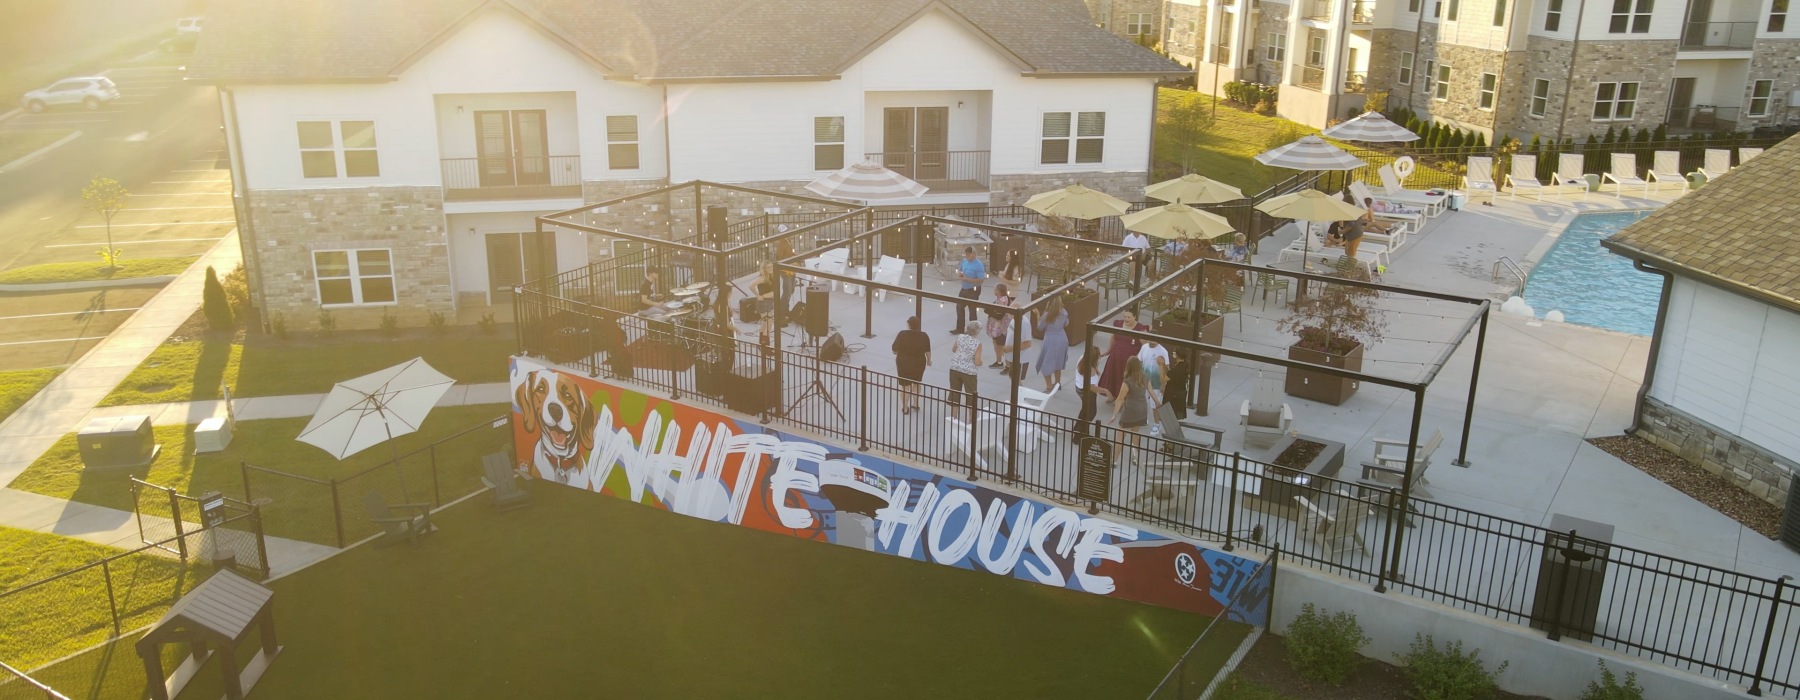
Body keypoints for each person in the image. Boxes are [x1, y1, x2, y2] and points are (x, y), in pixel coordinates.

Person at [1108, 357, 1151, 460]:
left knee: (1120, 436)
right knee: (1135, 433)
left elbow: (1120, 399)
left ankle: (1114, 460)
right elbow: (1151, 391)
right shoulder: (1145, 377)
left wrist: (1114, 415)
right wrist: (1157, 403)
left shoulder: (1128, 381)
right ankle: (1135, 458)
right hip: (1142, 409)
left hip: (1130, 410)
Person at [1098, 309, 1149, 396]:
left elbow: (1144, 346)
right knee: (1112, 377)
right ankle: (1112, 395)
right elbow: (1113, 338)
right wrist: (1108, 351)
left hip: (1128, 361)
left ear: (1135, 317)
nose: (1126, 319)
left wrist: (1136, 358)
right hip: (1115, 357)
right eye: (1125, 316)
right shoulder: (1118, 324)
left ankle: (1123, 398)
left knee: (1125, 379)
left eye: (1129, 317)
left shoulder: (1140, 329)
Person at [891, 316, 932, 415]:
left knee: (905, 387)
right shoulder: (924, 336)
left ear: (908, 325)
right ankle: (916, 403)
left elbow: (894, 349)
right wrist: (929, 360)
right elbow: (927, 350)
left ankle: (905, 408)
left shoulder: (902, 334)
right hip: (918, 363)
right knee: (916, 383)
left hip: (903, 363)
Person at [947, 321, 984, 422]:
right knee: (971, 396)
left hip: (955, 368)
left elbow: (954, 349)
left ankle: (953, 419)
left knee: (955, 393)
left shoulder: (960, 337)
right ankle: (970, 421)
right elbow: (977, 362)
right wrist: (981, 362)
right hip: (969, 372)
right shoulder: (977, 344)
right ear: (977, 331)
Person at [1035, 294, 1070, 391]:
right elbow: (1066, 323)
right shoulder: (1064, 312)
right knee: (1057, 362)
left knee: (1046, 362)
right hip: (1062, 338)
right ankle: (1058, 383)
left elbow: (1040, 327)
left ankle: (1049, 386)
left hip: (1051, 339)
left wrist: (1038, 315)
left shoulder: (1047, 315)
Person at [1071, 347, 1106, 444]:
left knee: (1085, 410)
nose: (1100, 355)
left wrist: (1097, 371)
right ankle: (1078, 436)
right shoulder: (1091, 369)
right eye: (1098, 355)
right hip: (1088, 392)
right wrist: (1105, 391)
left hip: (1079, 387)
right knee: (1091, 413)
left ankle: (1079, 429)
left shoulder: (1083, 359)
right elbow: (1092, 388)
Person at [954, 246, 987, 333]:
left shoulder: (978, 265)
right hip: (964, 288)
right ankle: (960, 328)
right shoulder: (964, 261)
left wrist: (966, 279)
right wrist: (960, 274)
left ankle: (973, 330)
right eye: (966, 254)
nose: (966, 256)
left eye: (968, 254)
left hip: (974, 290)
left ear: (974, 254)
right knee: (959, 307)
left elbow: (981, 280)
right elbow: (959, 270)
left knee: (972, 310)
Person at [985, 284, 1014, 369]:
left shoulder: (1003, 301)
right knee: (997, 344)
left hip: (1001, 329)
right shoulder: (1003, 299)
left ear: (999, 291)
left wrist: (988, 312)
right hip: (997, 328)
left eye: (995, 289)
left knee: (1002, 345)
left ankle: (1008, 366)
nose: (994, 291)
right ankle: (999, 361)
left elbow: (999, 315)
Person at [1137, 338, 1170, 405]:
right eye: (1151, 340)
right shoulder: (1144, 347)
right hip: (1144, 382)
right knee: (1143, 404)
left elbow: (1167, 368)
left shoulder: (1163, 351)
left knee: (1155, 406)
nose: (1152, 342)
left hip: (1157, 384)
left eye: (1154, 341)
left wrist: (1164, 384)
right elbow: (1139, 361)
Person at [1163, 350, 1193, 419]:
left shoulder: (1176, 369)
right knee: (1175, 417)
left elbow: (1163, 379)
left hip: (1172, 395)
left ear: (1177, 355)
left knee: (1169, 417)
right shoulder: (1184, 365)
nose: (1173, 353)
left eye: (1174, 352)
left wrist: (1161, 365)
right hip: (1180, 394)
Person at [753, 261, 778, 338]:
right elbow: (751, 285)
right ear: (764, 269)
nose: (770, 268)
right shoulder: (763, 278)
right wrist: (758, 295)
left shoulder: (771, 277)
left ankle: (763, 343)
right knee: (768, 324)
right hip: (763, 303)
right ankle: (765, 346)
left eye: (771, 267)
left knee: (766, 324)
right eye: (768, 267)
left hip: (769, 302)